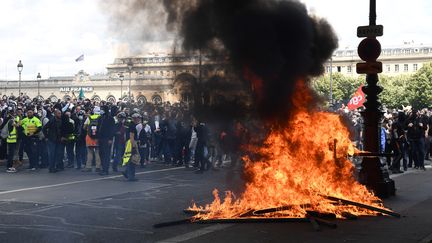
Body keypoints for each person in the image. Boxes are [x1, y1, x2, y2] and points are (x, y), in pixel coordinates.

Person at [82, 107, 102, 172]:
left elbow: (84, 127)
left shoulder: (89, 117)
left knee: (89, 153)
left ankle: (88, 167)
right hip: (98, 138)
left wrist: (88, 130)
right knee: (97, 152)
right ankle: (98, 167)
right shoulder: (101, 118)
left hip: (89, 137)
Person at [122, 113, 141, 181]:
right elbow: (131, 136)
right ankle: (131, 176)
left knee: (131, 159)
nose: (139, 119)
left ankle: (127, 172)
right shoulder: (133, 126)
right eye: (138, 118)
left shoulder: (130, 125)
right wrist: (133, 147)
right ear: (135, 118)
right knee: (133, 159)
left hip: (129, 142)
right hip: (132, 142)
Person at [97, 105, 115, 175]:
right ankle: (103, 168)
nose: (101, 110)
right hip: (100, 138)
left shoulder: (110, 118)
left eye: (102, 109)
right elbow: (98, 127)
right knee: (101, 153)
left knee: (106, 154)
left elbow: (112, 129)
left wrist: (110, 138)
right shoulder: (100, 118)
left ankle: (105, 169)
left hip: (107, 138)